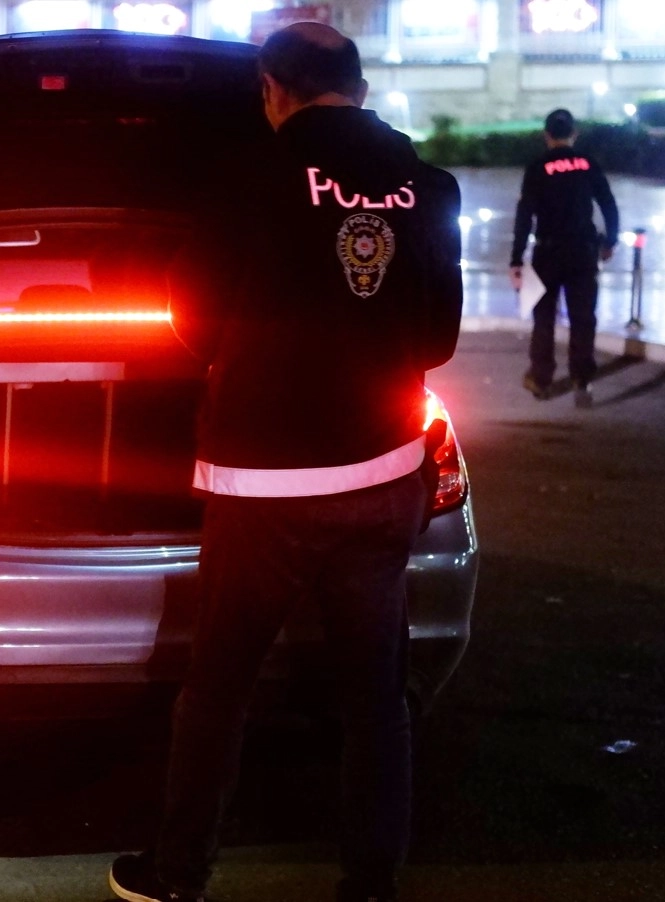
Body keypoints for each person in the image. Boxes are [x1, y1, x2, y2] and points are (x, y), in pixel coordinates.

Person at [107, 22, 462, 902]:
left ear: (272, 91)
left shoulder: (243, 178)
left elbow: (190, 325)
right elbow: (437, 338)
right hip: (382, 474)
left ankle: (179, 873)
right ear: (359, 87)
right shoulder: (427, 186)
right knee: (375, 695)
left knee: (219, 688)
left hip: (263, 486)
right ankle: (370, 880)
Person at [509, 108, 618, 408]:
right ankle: (582, 377)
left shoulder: (537, 167)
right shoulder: (587, 163)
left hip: (547, 252)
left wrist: (516, 259)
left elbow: (524, 216)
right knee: (583, 316)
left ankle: (541, 379)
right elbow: (608, 203)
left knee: (544, 317)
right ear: (574, 134)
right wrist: (610, 240)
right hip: (583, 251)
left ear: (546, 135)